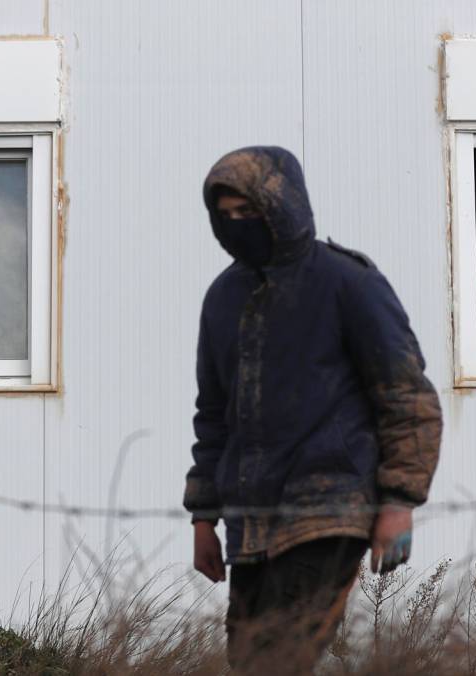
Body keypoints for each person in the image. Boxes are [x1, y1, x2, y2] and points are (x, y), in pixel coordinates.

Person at [183, 146, 443, 673]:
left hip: (328, 507)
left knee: (277, 659)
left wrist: (399, 501)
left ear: (283, 206)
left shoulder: (348, 283)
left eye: (248, 212)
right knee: (248, 659)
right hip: (249, 519)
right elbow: (213, 414)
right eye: (225, 215)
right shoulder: (222, 297)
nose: (236, 225)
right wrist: (203, 517)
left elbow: (407, 397)